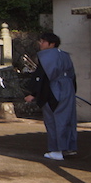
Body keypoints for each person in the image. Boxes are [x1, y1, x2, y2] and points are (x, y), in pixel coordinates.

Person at [24, 32, 78, 161]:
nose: (40, 44)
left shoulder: (46, 56)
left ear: (51, 44)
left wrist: (33, 93)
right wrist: (71, 91)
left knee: (54, 121)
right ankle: (68, 148)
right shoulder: (65, 55)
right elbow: (72, 76)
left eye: (43, 42)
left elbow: (41, 77)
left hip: (53, 90)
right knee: (68, 119)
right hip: (68, 89)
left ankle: (57, 150)